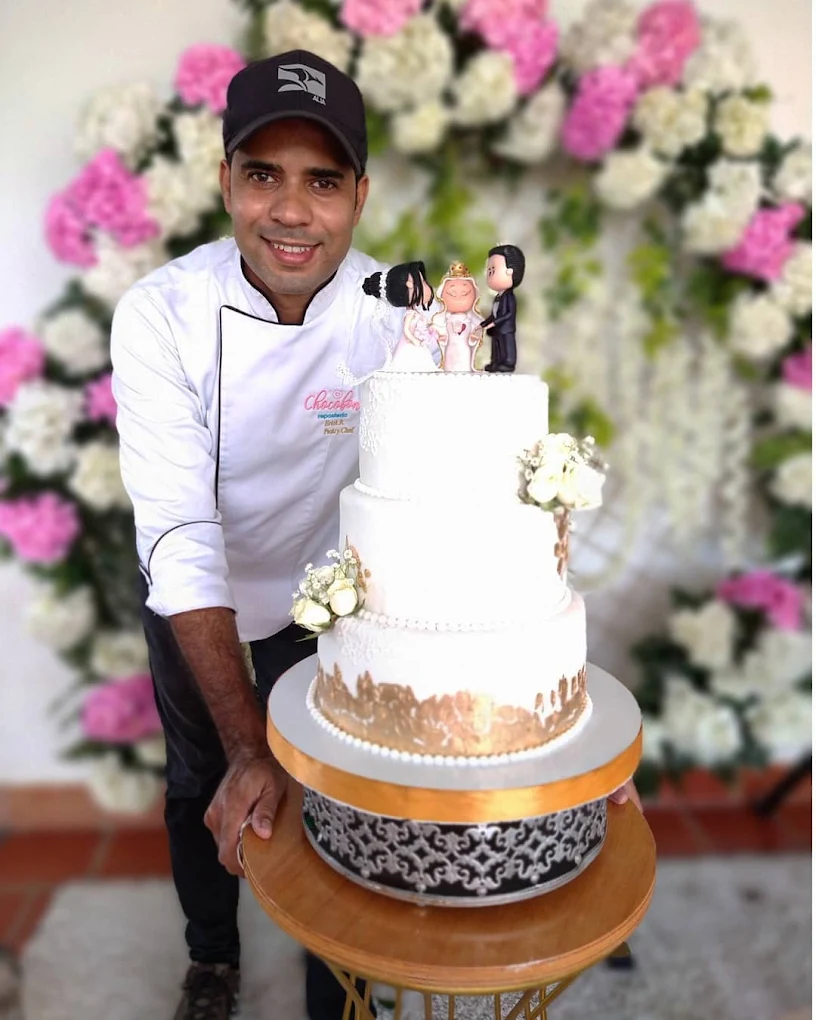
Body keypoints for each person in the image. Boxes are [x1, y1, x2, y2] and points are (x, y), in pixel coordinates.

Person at [111, 47, 642, 1020]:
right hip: (202, 602)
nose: (290, 210)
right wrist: (246, 744)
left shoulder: (391, 319)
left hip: (339, 612)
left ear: (359, 194)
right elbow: (181, 536)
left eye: (321, 181)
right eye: (263, 175)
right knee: (203, 784)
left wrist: (556, 745)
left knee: (336, 806)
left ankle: (337, 994)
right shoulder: (161, 316)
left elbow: (469, 494)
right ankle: (213, 954)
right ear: (226, 181)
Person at [362, 261, 440, 372]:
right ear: (409, 286)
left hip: (417, 345)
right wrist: (415, 341)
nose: (427, 286)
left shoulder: (416, 313)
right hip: (409, 346)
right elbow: (407, 331)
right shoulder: (410, 314)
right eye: (422, 282)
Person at [480, 243, 525, 373]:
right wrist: (485, 323)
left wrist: (494, 322)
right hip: (497, 329)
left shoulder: (509, 297)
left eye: (493, 271)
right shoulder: (498, 297)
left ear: (509, 271)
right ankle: (496, 362)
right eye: (489, 271)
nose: (489, 275)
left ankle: (507, 363)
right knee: (496, 347)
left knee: (506, 347)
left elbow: (508, 314)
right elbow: (494, 314)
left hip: (505, 328)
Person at [431, 261, 483, 372]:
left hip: (465, 349)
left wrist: (473, 338)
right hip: (450, 348)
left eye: (465, 293)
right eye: (452, 294)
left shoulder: (470, 320)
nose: (458, 298)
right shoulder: (446, 319)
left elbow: (478, 332)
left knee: (464, 365)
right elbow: (439, 333)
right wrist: (442, 338)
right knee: (450, 366)